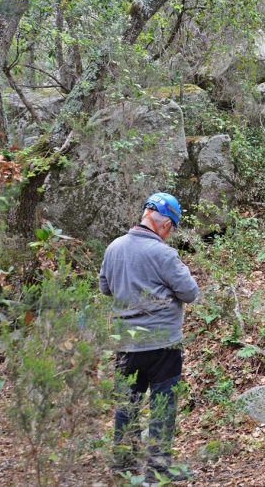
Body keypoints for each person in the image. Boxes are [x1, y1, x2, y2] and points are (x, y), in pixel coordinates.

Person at [99, 192, 199, 481]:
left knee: (127, 402)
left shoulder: (114, 247)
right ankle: (157, 470)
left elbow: (105, 288)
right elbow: (190, 292)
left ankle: (123, 462)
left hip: (125, 344)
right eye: (172, 228)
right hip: (162, 344)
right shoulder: (164, 254)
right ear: (165, 224)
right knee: (162, 405)